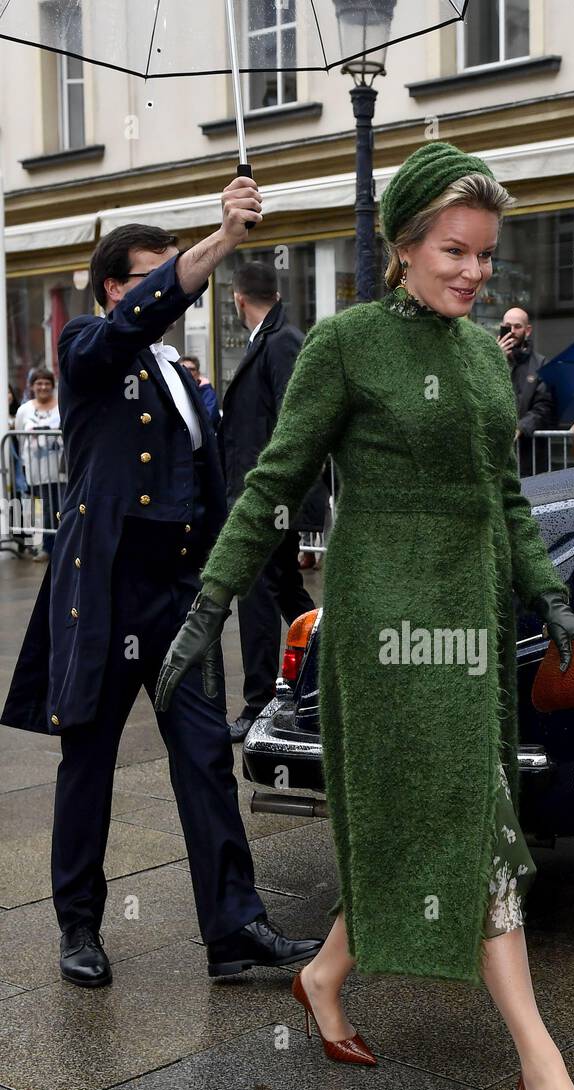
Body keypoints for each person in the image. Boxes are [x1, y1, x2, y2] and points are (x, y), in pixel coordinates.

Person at [155, 141, 574, 1090]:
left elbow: (501, 494)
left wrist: (551, 595)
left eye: (485, 256)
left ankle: (323, 974)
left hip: (473, 625)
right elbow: (274, 482)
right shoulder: (347, 344)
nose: (472, 272)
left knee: (435, 812)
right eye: (453, 250)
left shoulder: (484, 356)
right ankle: (541, 1060)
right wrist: (213, 598)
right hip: (388, 629)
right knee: (468, 813)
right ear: (401, 245)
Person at [0, 180, 322, 989]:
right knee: (90, 760)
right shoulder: (86, 345)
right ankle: (79, 924)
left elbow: (206, 480)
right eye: (155, 274)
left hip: (178, 593)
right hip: (104, 590)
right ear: (117, 286)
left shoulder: (182, 374)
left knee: (206, 755)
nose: (175, 288)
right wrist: (217, 240)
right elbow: (133, 322)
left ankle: (233, 926)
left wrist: (228, 570)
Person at [219, 260, 315, 742]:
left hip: (268, 497)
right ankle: (327, 664)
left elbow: (292, 422)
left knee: (256, 596)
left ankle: (258, 703)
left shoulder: (281, 341)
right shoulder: (271, 338)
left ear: (238, 298)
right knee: (282, 589)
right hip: (265, 494)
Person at [497, 306, 556, 477]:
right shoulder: (487, 358)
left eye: (518, 326)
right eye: (508, 326)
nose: (513, 331)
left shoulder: (540, 364)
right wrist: (496, 358)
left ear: (527, 330)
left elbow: (544, 407)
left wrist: (521, 427)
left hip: (529, 453)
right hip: (496, 452)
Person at [14, 367, 63, 561]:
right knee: (47, 510)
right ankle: (49, 548)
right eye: (39, 383)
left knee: (64, 508)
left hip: (62, 469)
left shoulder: (62, 405)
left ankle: (66, 546)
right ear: (32, 386)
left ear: (53, 386)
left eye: (47, 383)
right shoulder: (24, 410)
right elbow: (19, 437)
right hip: (37, 471)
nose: (43, 387)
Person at [179, 355, 221, 429]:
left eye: (191, 369)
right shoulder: (175, 391)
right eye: (183, 368)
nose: (187, 371)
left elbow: (209, 418)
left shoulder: (207, 393)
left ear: (198, 373)